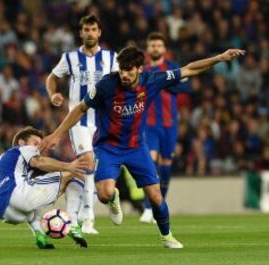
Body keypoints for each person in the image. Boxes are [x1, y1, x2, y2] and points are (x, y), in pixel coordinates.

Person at [41, 46, 245, 249]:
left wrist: (219, 57)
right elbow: (79, 109)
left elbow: (189, 69)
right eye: (122, 70)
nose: (124, 75)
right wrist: (57, 134)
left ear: (139, 69)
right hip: (108, 147)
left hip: (136, 147)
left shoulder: (152, 80)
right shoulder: (106, 85)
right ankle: (113, 198)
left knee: (156, 196)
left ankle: (167, 236)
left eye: (129, 70)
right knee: (103, 194)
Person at [0, 126, 89, 250]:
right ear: (21, 142)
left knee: (31, 182)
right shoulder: (21, 150)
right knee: (71, 175)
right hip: (19, 196)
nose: (39, 147)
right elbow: (39, 162)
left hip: (5, 213)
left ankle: (39, 234)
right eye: (36, 143)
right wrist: (69, 165)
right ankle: (74, 224)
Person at [46, 14, 118, 234]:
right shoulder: (69, 58)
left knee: (98, 169)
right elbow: (51, 78)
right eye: (86, 30)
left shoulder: (111, 57)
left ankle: (112, 196)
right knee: (87, 163)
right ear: (81, 33)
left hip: (104, 121)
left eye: (93, 29)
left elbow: (120, 84)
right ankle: (88, 219)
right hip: (79, 121)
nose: (90, 33)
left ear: (99, 32)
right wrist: (52, 95)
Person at [140, 32, 191, 223]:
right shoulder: (142, 70)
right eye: (152, 45)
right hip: (149, 125)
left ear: (164, 49)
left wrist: (161, 84)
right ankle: (147, 207)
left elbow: (187, 88)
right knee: (150, 164)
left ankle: (159, 205)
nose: (155, 48)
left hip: (170, 125)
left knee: (166, 167)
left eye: (158, 45)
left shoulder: (172, 67)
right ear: (147, 49)